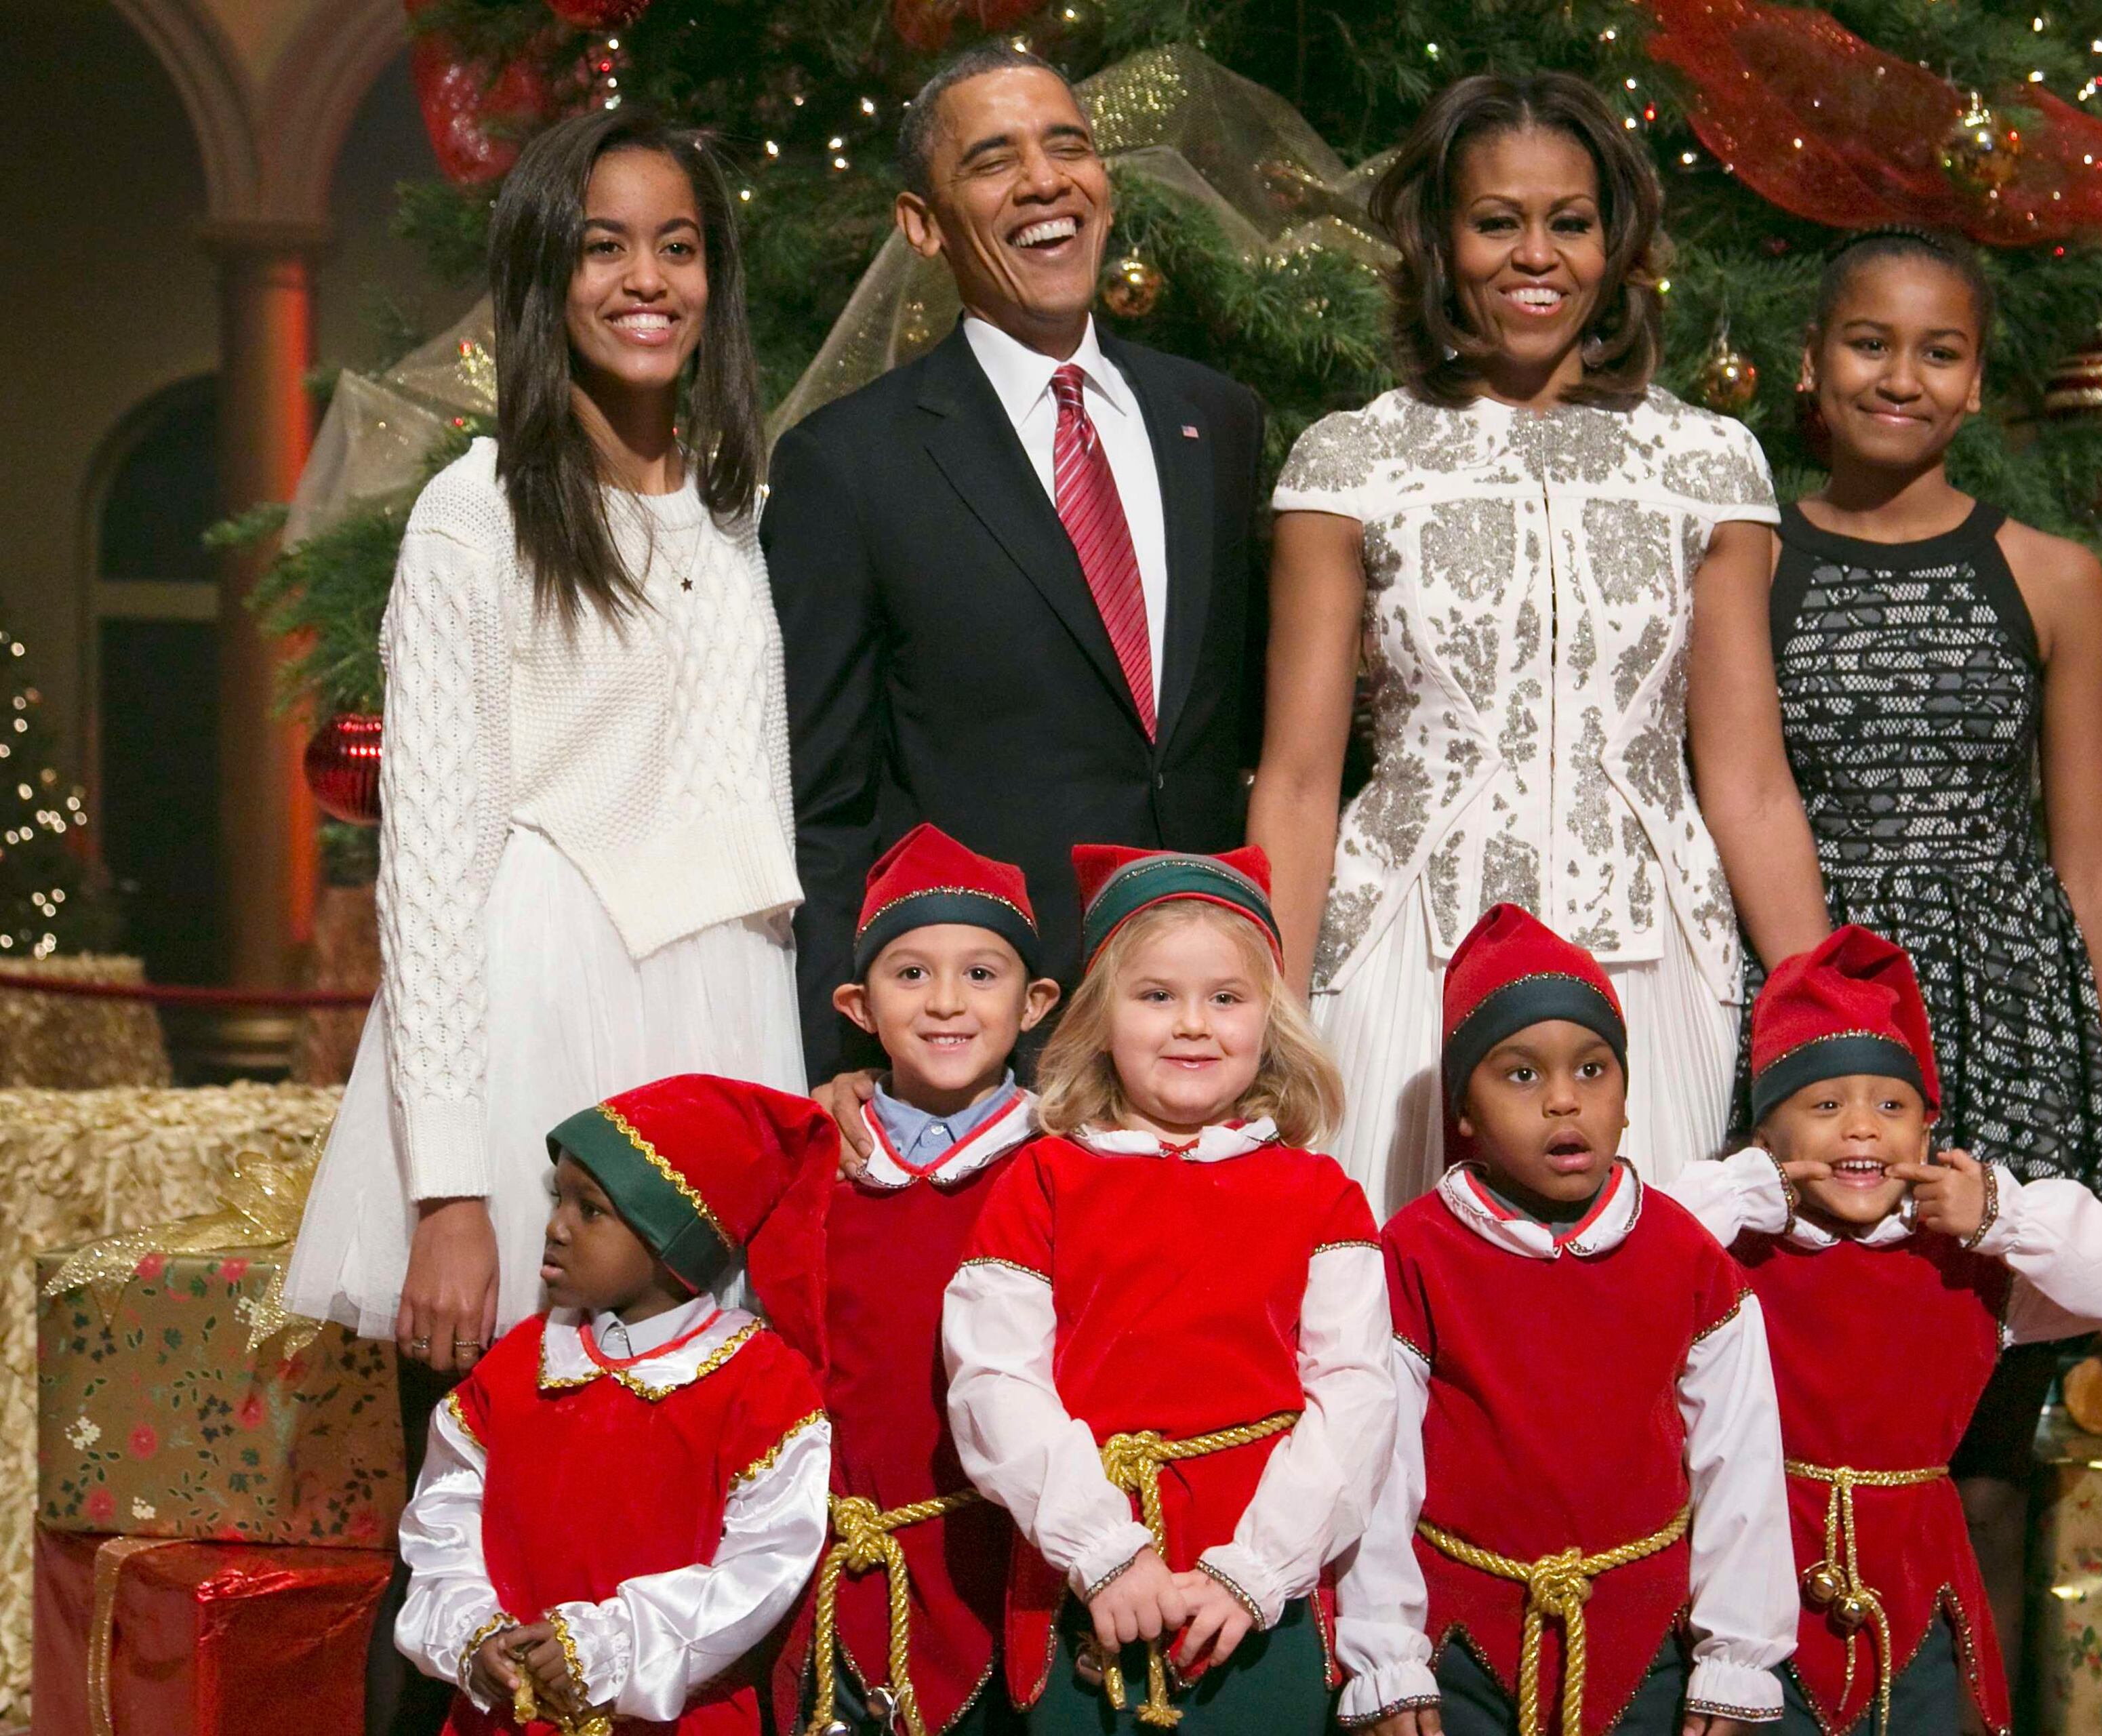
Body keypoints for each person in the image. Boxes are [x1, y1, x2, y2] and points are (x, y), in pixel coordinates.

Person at [279, 105, 807, 1736]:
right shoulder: (476, 511)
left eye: (678, 244)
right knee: (490, 1505)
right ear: (541, 277)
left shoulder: (739, 501)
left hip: (720, 999)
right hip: (537, 1010)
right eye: (602, 246)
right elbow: (428, 860)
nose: (646, 280)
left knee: (686, 1485)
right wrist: (452, 1187)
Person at [1705, 225, 2102, 1684]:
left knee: (1983, 1427)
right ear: (1811, 363)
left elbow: (2094, 869)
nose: (1899, 376)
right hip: (1813, 1015)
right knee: (1799, 1405)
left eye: (1939, 351)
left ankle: (1964, 1705)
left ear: (1978, 381)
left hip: (2010, 1019)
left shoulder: (2052, 575)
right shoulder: (1747, 557)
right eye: (1869, 342)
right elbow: (1747, 794)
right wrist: (1820, 1037)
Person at [1250, 70, 1806, 1215]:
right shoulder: (1351, 459)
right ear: (1441, 241)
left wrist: (1827, 1023)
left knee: (1643, 1330)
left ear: (1616, 241)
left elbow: (1748, 781)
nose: (1535, 255)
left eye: (1570, 222)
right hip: (1407, 952)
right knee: (1384, 1317)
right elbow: (1300, 779)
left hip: (1652, 957)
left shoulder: (1709, 462)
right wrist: (1272, 1016)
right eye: (1497, 222)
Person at [766, 41, 1267, 1091]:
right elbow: (823, 801)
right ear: (922, 222)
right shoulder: (849, 465)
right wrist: (839, 1049)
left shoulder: (1213, 419)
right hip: (983, 1054)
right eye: (994, 159)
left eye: (1068, 146)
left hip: (1204, 1041)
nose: (1045, 180)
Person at [939, 846, 1394, 1732]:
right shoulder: (1041, 1183)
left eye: (1225, 997)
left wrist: (1256, 1568)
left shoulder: (1322, 1194)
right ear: (1101, 1017)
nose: (1193, 1023)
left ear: (1272, 1018)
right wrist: (1105, 1552)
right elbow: (995, 1383)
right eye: (1156, 996)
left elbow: (1357, 1396)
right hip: (1089, 1596)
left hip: (1260, 1603)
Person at [1335, 903, 1796, 1736]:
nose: (1562, 1101)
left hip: (1647, 1648)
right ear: (1463, 1109)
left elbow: (1743, 1464)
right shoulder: (1412, 1255)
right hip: (1460, 1651)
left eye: (1592, 1070)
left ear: (1626, 1096)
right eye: (1520, 1074)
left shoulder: (1688, 1257)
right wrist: (1387, 1657)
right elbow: (1378, 1471)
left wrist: (1737, 1658)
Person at [1693, 927, 2102, 1735]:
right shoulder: (1734, 1253)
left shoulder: (1971, 1266)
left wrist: (2000, 1213)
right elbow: (1637, 1246)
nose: (1862, 1129)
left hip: (1917, 1604)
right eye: (1826, 1104)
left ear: (1925, 1132)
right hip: (1758, 1596)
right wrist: (1744, 1188)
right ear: (1769, 1137)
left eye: (1890, 1105)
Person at [393, 1076, 838, 1735]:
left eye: (591, 1208)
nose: (556, 1227)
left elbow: (766, 1562)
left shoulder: (759, 1383)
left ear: (671, 1241)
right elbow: (444, 1518)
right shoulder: (516, 1367)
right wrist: (473, 1632)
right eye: (558, 1198)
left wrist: (607, 1644)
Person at [773, 824, 1058, 1736]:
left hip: (1005, 1570)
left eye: (982, 974)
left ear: (1037, 1001)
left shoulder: (1064, 1164)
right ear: (857, 1005)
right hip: (841, 1563)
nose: (945, 1003)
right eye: (909, 975)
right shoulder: (817, 1166)